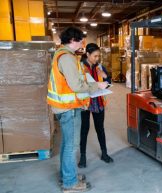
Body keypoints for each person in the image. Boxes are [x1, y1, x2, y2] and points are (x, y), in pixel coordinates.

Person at [47, 27, 108, 192]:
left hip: (64, 107)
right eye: (81, 40)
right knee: (71, 146)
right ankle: (70, 182)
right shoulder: (66, 57)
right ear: (73, 40)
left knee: (67, 144)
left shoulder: (63, 54)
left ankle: (67, 175)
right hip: (68, 108)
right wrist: (97, 85)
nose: (82, 43)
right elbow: (75, 85)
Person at [78, 43, 113, 168]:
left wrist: (105, 76)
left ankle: (104, 153)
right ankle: (83, 157)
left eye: (98, 56)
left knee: (100, 129)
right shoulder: (80, 67)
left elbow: (108, 82)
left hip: (98, 102)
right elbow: (78, 86)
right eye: (94, 56)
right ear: (87, 54)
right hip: (85, 103)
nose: (97, 59)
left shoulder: (100, 67)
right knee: (84, 130)